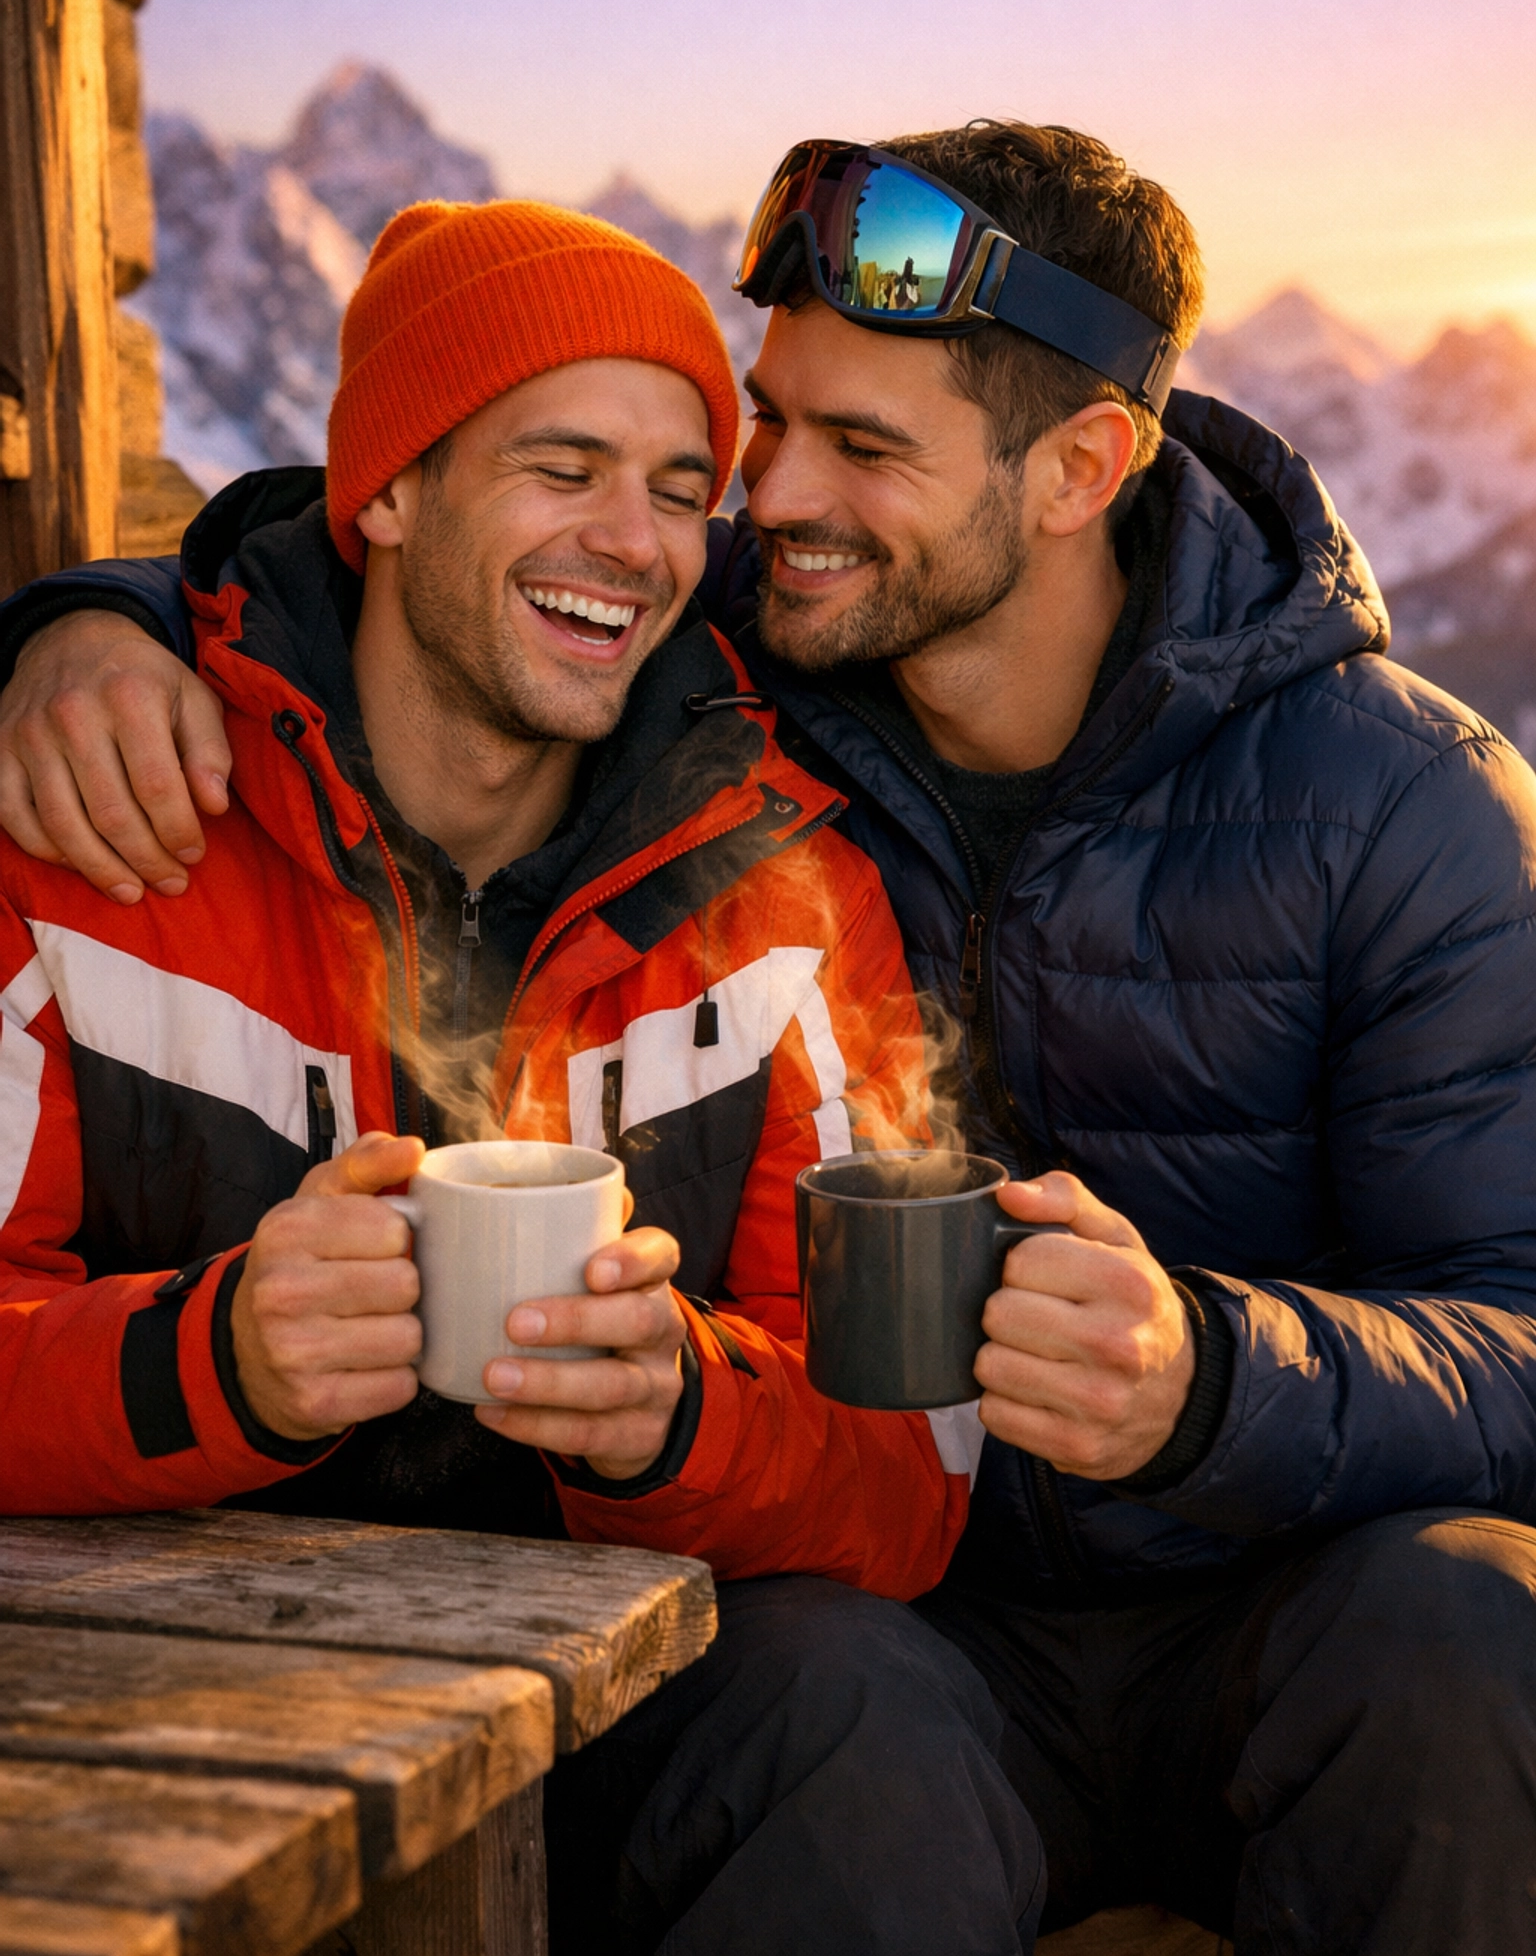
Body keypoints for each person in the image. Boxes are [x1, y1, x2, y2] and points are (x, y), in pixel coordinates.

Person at [6, 123, 1536, 1955]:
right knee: (836, 1703)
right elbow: (387, 547)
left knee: (1476, 1625)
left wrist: (1213, 1379)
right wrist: (88, 623)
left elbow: (1518, 1332)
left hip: (1274, 1601)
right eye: (768, 427)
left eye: (858, 448)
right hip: (895, 1633)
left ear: (1082, 467)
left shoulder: (1405, 811)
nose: (761, 502)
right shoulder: (729, 651)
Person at [0, 195, 976, 1614]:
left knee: (859, 1698)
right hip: (174, 1666)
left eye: (676, 487)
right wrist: (212, 1363)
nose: (633, 543)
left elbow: (915, 1474)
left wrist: (681, 1416)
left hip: (635, 1691)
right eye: (564, 468)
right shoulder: (103, 823)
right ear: (388, 493)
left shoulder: (780, 895)